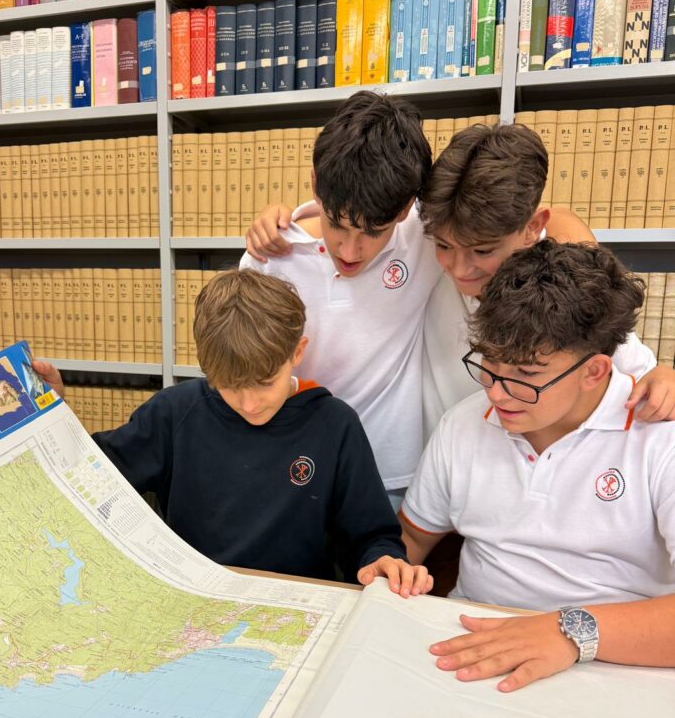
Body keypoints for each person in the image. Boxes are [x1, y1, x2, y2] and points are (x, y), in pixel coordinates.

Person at [246, 121, 675, 467]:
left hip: (518, 479)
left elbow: (622, 352)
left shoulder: (556, 293)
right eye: (445, 248)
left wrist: (662, 373)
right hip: (428, 472)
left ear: (530, 228)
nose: (459, 269)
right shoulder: (421, 231)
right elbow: (352, 208)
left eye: (483, 252)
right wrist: (285, 216)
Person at [33, 269, 431, 593]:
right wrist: (55, 414)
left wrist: (382, 561)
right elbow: (88, 476)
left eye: (264, 384)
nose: (250, 404)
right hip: (192, 602)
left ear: (297, 352)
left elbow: (371, 536)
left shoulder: (335, 425)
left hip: (294, 608)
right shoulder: (175, 412)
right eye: (229, 387)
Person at [398, 240, 675, 690]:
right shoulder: (464, 424)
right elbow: (411, 538)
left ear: (595, 371)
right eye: (489, 362)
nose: (497, 393)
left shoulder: (661, 437)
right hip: (466, 649)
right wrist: (388, 567)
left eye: (526, 376)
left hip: (616, 666)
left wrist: (571, 631)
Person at [241, 89, 440, 509]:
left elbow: (538, 222)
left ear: (405, 208)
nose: (350, 252)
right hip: (292, 474)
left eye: (373, 232)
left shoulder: (427, 235)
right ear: (315, 185)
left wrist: (621, 365)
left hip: (390, 479)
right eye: (337, 225)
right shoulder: (268, 257)